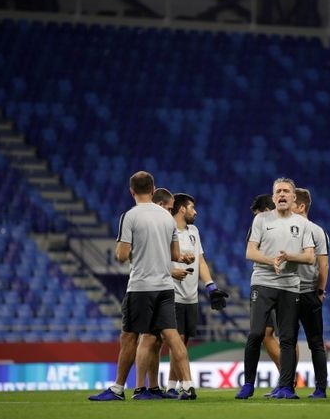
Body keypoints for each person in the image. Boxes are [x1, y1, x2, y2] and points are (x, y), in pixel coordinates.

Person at [90, 172, 196, 401]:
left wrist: (132, 250)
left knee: (129, 337)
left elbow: (121, 255)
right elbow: (175, 254)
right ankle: (187, 386)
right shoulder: (167, 217)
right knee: (172, 336)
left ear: (132, 191)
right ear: (153, 189)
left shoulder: (130, 216)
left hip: (141, 287)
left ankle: (118, 389)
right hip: (165, 287)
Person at [235, 178, 315, 400]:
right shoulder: (261, 219)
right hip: (263, 282)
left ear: (293, 197)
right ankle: (248, 384)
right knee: (256, 333)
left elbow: (310, 257)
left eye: (286, 191)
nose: (281, 194)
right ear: (273, 197)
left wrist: (289, 257)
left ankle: (286, 386)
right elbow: (250, 252)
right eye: (278, 191)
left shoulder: (302, 224)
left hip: (290, 285)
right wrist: (271, 261)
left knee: (288, 337)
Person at [163, 193, 228, 397]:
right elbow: (156, 260)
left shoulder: (194, 231)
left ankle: (171, 386)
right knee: (178, 340)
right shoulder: (166, 230)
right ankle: (184, 384)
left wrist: (211, 287)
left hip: (191, 296)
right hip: (172, 293)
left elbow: (200, 261)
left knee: (183, 342)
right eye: (192, 207)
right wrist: (171, 272)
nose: (196, 212)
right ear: (182, 209)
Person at [291, 188, 329, 399]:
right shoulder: (286, 228)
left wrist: (320, 292)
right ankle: (287, 386)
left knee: (315, 342)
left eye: (292, 202)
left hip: (307, 293)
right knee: (289, 342)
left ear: (301, 206)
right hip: (288, 292)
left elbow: (324, 265)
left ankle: (320, 388)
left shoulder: (316, 231)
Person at [249, 194, 282, 373]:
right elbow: (250, 252)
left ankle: (288, 376)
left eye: (257, 214)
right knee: (268, 333)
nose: (256, 218)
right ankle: (286, 376)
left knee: (285, 335)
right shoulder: (259, 227)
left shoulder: (263, 222)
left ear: (267, 211)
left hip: (280, 284)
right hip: (268, 282)